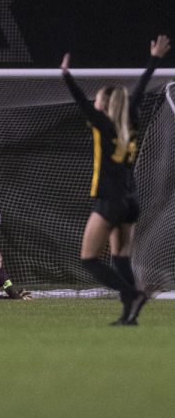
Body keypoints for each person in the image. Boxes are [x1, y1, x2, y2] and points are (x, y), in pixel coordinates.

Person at [60, 34, 170, 325]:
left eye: (99, 100)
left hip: (110, 200)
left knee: (88, 258)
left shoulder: (102, 123)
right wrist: (155, 58)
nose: (95, 102)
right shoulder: (131, 118)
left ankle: (131, 294)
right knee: (120, 258)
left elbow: (80, 102)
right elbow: (141, 89)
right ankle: (128, 316)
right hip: (131, 200)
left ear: (106, 105)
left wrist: (66, 75)